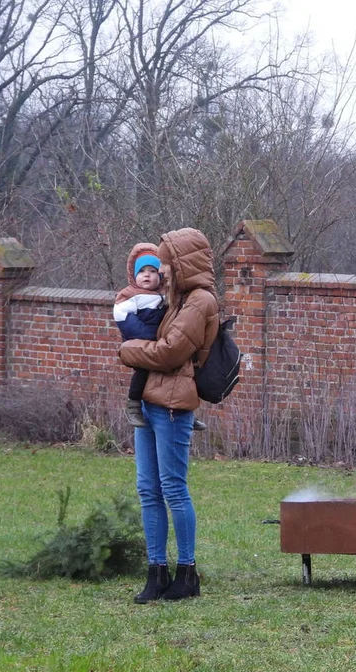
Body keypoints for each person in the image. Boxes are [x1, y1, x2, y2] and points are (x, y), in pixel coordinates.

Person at [118, 229, 220, 603]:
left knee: (173, 488)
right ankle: (156, 571)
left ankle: (187, 573)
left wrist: (128, 350)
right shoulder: (172, 300)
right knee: (148, 490)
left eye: (165, 262)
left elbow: (169, 353)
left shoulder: (199, 302)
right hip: (149, 400)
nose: (159, 269)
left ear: (181, 263)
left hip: (174, 405)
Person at [113, 245, 207, 431]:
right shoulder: (131, 295)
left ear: (161, 274)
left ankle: (186, 412)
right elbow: (122, 315)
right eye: (141, 271)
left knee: (181, 371)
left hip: (161, 341)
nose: (146, 275)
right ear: (134, 274)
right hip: (141, 341)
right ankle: (133, 405)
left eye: (152, 271)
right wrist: (144, 335)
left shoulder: (166, 293)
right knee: (142, 373)